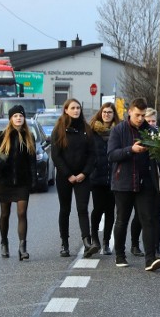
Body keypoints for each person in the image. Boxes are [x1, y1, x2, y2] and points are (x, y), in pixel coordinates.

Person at [108, 97, 160, 272]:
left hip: (145, 182)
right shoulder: (118, 130)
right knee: (122, 220)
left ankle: (150, 259)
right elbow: (111, 154)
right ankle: (120, 255)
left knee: (147, 219)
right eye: (137, 115)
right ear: (130, 111)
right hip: (123, 181)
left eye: (143, 115)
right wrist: (130, 150)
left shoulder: (151, 131)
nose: (140, 118)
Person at [0, 105, 37, 261]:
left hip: (22, 182)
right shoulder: (2, 136)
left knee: (22, 213)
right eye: (15, 116)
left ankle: (22, 248)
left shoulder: (29, 137)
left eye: (21, 116)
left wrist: (34, 179)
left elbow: (32, 160)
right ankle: (4, 242)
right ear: (10, 118)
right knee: (5, 214)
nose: (18, 118)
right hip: (5, 181)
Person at [51, 98, 96, 258]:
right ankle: (65, 243)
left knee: (82, 209)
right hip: (65, 177)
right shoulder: (59, 130)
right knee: (65, 209)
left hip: (83, 176)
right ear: (66, 110)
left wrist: (84, 173)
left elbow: (92, 155)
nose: (76, 110)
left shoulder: (86, 129)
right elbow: (56, 156)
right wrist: (68, 175)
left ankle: (87, 242)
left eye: (78, 107)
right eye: (73, 108)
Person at [130, 108, 160, 260]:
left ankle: (156, 248)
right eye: (148, 120)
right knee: (141, 216)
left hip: (158, 180)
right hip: (141, 182)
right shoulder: (139, 135)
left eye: (153, 120)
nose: (150, 123)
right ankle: (135, 243)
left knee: (155, 215)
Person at [88, 102, 119, 256]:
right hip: (97, 177)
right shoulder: (92, 131)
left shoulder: (118, 131)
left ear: (114, 115)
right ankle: (95, 239)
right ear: (101, 113)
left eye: (110, 112)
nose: (107, 114)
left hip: (114, 177)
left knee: (110, 211)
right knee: (98, 209)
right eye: (105, 112)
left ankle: (106, 242)